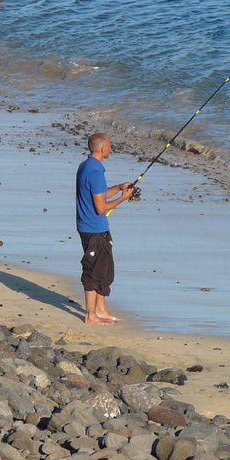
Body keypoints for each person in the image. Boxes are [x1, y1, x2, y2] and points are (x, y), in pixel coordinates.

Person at [75, 132, 136, 324]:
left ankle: (100, 310)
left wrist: (118, 188)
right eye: (109, 145)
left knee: (105, 270)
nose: (111, 148)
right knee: (93, 271)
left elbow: (99, 195)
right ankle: (90, 315)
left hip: (96, 227)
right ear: (102, 149)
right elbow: (101, 207)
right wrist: (123, 199)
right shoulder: (95, 172)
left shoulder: (87, 166)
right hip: (92, 228)